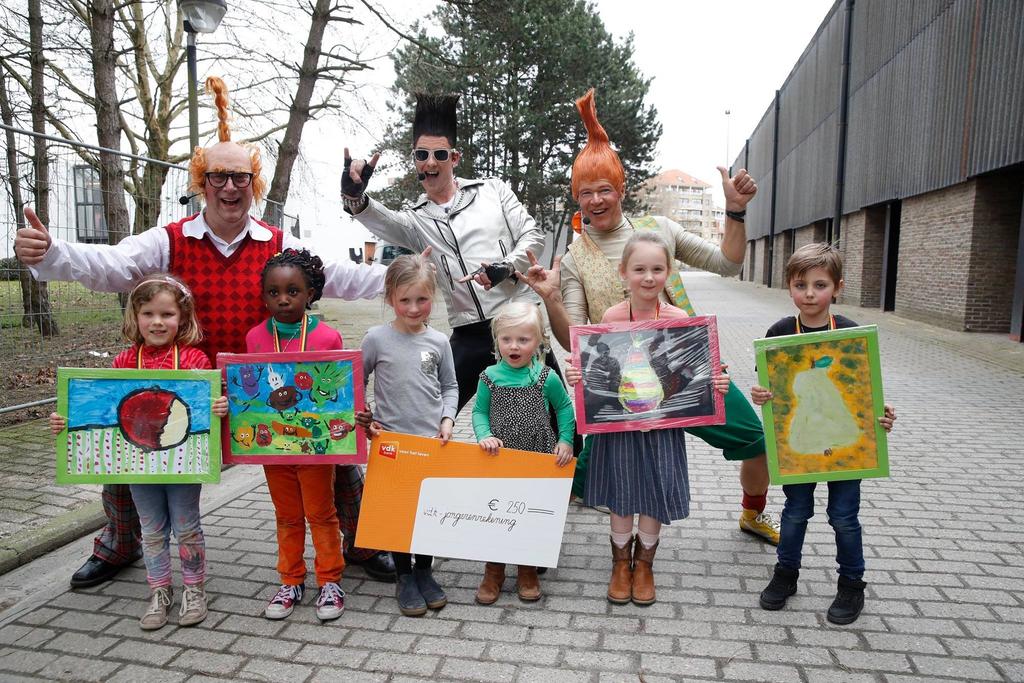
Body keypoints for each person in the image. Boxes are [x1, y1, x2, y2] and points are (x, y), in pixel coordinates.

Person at [14, 76, 396, 587]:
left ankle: (362, 540)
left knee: (331, 449)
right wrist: (54, 252)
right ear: (202, 182)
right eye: (218, 176)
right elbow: (110, 264)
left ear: (253, 184)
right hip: (185, 382)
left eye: (240, 177)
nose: (230, 187)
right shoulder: (167, 241)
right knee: (128, 452)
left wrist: (408, 277)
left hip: (263, 383)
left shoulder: (281, 244)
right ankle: (120, 542)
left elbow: (344, 277)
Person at [518, 88, 782, 545]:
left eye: (604, 190)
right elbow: (572, 339)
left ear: (620, 190)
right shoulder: (576, 258)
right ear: (575, 198)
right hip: (622, 389)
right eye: (585, 193)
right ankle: (535, 518)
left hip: (689, 369)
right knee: (582, 471)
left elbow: (728, 262)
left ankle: (752, 513)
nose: (596, 200)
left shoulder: (659, 230)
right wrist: (551, 299)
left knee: (756, 439)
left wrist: (735, 211)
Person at [341, 93, 558, 413]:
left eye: (440, 153)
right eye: (422, 154)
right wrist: (356, 197)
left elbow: (533, 236)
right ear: (414, 159)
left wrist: (505, 267)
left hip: (518, 323)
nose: (430, 162)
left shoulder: (493, 191)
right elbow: (382, 220)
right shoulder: (417, 219)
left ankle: (574, 462)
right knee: (429, 415)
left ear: (454, 158)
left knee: (558, 415)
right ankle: (408, 463)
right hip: (469, 335)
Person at [49, 275, 228, 630]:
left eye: (166, 314)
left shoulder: (193, 357)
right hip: (138, 465)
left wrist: (220, 405)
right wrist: (66, 421)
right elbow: (101, 408)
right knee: (151, 530)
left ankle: (194, 590)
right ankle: (159, 590)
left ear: (182, 318)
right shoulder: (125, 361)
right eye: (148, 313)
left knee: (186, 526)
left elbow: (208, 403)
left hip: (181, 464)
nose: (158, 322)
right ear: (135, 317)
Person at [564, 232, 731, 605]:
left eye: (657, 269)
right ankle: (620, 564)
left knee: (654, 493)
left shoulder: (678, 319)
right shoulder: (610, 318)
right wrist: (579, 376)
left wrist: (715, 380)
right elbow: (600, 369)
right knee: (622, 496)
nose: (649, 277)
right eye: (639, 269)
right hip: (619, 427)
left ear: (668, 272)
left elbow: (692, 372)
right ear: (624, 273)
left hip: (662, 425)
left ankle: (645, 564)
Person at [750, 243, 896, 625]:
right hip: (799, 447)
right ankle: (786, 574)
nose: (810, 294)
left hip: (844, 445)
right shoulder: (779, 333)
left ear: (837, 287)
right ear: (789, 287)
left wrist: (880, 415)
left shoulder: (851, 335)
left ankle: (851, 583)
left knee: (844, 516)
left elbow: (864, 390)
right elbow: (770, 388)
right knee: (795, 512)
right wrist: (760, 394)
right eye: (801, 285)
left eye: (820, 285)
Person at [248, 249, 346, 622]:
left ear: (311, 293)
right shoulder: (255, 337)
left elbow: (338, 391)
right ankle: (291, 580)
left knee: (322, 514)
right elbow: (251, 393)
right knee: (287, 517)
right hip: (274, 448)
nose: (283, 299)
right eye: (274, 292)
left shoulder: (327, 337)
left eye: (293, 291)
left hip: (316, 449)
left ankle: (329, 580)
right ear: (264, 295)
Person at [361, 253, 458, 616]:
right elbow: (358, 382)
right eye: (405, 300)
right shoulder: (375, 339)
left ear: (433, 297)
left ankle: (425, 570)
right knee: (400, 513)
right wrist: (366, 418)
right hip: (392, 445)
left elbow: (450, 385)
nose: (414, 308)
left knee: (428, 510)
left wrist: (448, 419)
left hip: (432, 442)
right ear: (390, 299)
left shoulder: (440, 341)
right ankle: (404, 575)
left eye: (422, 299)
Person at [471, 302, 575, 605]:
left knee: (529, 512)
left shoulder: (546, 377)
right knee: (497, 512)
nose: (514, 346)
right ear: (497, 342)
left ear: (539, 342)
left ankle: (527, 568)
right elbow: (479, 412)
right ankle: (494, 569)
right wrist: (485, 435)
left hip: (537, 455)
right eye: (507, 339)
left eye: (523, 340)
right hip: (499, 459)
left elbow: (564, 408)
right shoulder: (489, 377)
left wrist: (566, 440)